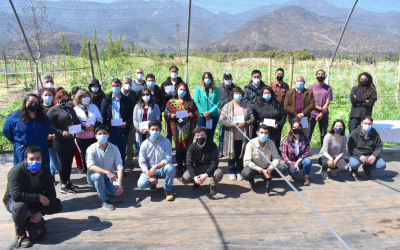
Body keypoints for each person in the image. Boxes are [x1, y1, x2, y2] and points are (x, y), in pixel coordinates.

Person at [3, 146, 62, 249]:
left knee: (57, 205)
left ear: (42, 159)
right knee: (20, 207)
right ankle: (20, 232)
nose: (35, 161)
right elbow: (16, 195)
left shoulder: (45, 171)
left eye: (38, 158)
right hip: (15, 200)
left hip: (32, 200)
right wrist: (38, 197)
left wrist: (41, 213)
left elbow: (51, 195)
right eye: (31, 159)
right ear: (25, 159)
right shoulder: (16, 172)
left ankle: (33, 216)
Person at [47, 89, 83, 194]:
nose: (65, 101)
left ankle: (68, 182)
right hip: (60, 140)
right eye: (63, 99)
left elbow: (75, 120)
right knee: (63, 163)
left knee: (69, 163)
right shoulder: (53, 110)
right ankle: (63, 185)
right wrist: (60, 132)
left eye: (67, 99)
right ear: (57, 99)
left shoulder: (69, 108)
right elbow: (48, 125)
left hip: (71, 139)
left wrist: (79, 128)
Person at [3, 93, 51, 167]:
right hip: (23, 149)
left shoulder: (44, 117)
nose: (33, 104)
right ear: (25, 103)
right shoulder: (14, 116)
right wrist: (17, 140)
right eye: (31, 102)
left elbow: (47, 130)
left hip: (41, 149)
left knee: (42, 172)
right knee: (23, 173)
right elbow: (6, 131)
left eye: (36, 103)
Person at [219, 87, 255, 181]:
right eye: (235, 93)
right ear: (232, 94)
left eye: (239, 93)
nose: (237, 95)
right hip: (231, 135)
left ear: (242, 95)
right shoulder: (227, 106)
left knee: (241, 154)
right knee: (232, 154)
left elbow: (252, 118)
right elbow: (221, 120)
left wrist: (245, 123)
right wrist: (230, 124)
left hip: (242, 136)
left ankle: (239, 171)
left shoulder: (246, 106)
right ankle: (231, 171)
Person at [164, 83, 199, 177]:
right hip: (176, 129)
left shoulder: (190, 102)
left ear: (186, 91)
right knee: (179, 149)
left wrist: (193, 115)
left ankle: (188, 167)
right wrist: (171, 116)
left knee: (188, 148)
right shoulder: (171, 102)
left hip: (188, 129)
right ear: (176, 90)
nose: (182, 91)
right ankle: (179, 167)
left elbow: (197, 112)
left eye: (184, 90)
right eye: (180, 89)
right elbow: (165, 114)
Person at [242, 125, 287, 196]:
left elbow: (277, 158)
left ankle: (267, 177)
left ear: (269, 134)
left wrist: (270, 168)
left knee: (283, 168)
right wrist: (261, 170)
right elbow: (247, 161)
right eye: (261, 132)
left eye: (265, 133)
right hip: (255, 168)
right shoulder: (250, 144)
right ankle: (251, 181)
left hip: (267, 167)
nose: (263, 135)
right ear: (257, 133)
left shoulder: (271, 143)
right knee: (246, 173)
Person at [86, 125, 124, 210]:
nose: (102, 135)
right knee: (98, 176)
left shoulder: (114, 148)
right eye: (99, 134)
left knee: (118, 192)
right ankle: (104, 199)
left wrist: (119, 183)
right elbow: (90, 166)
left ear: (108, 135)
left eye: (104, 133)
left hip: (110, 177)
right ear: (95, 136)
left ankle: (101, 188)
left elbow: (119, 167)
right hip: (94, 176)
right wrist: (107, 172)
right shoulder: (91, 149)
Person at [137, 120, 176, 201]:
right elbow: (142, 162)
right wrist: (149, 174)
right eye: (152, 129)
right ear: (149, 130)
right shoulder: (144, 144)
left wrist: (155, 166)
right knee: (141, 184)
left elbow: (168, 159)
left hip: (162, 169)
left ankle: (168, 189)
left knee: (171, 168)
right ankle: (152, 184)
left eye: (157, 129)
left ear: (160, 130)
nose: (154, 131)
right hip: (149, 170)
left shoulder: (166, 141)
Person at [101, 78, 134, 168]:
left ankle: (121, 168)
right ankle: (110, 169)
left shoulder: (128, 100)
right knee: (110, 150)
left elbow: (131, 115)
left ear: (121, 86)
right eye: (113, 86)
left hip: (123, 129)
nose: (115, 87)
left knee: (122, 151)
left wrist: (126, 123)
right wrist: (105, 131)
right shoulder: (106, 100)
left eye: (117, 86)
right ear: (110, 87)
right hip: (111, 130)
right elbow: (103, 117)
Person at [183, 127, 223, 196]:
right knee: (185, 178)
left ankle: (212, 185)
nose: (200, 137)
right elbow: (189, 164)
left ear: (206, 136)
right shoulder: (191, 147)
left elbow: (215, 162)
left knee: (219, 174)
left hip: (210, 167)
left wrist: (206, 174)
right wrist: (194, 177)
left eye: (202, 136)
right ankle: (197, 182)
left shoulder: (212, 145)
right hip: (197, 167)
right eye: (198, 136)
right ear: (195, 137)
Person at [73, 89, 103, 173]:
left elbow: (99, 120)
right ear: (79, 99)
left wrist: (94, 128)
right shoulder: (75, 109)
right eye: (84, 97)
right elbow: (74, 122)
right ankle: (87, 171)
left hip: (93, 135)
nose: (86, 98)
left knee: (95, 154)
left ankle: (96, 171)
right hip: (81, 136)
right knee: (84, 154)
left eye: (87, 96)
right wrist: (82, 128)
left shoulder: (94, 107)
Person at [252, 86, 286, 153]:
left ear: (271, 94)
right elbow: (252, 118)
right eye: (265, 93)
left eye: (268, 93)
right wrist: (259, 123)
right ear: (262, 94)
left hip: (274, 132)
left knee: (272, 152)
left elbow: (283, 117)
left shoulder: (277, 105)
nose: (267, 94)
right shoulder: (257, 106)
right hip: (261, 133)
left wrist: (278, 124)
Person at [282, 121, 312, 186]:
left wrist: (297, 162)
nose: (296, 128)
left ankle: (305, 176)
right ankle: (291, 173)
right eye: (294, 127)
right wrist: (290, 164)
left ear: (301, 128)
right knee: (293, 173)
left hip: (300, 160)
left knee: (308, 161)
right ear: (292, 129)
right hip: (290, 162)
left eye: (298, 127)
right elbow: (284, 154)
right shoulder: (286, 139)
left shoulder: (305, 138)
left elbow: (306, 152)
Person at [307, 70, 333, 146]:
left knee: (323, 134)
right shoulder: (310, 88)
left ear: (324, 76)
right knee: (309, 133)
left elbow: (327, 102)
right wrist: (321, 109)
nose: (320, 76)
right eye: (319, 74)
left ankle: (323, 150)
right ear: (315, 76)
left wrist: (321, 113)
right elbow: (309, 103)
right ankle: (306, 149)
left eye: (322, 74)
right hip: (311, 114)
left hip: (324, 115)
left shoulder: (328, 88)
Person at [194, 72, 221, 142]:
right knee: (200, 134)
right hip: (201, 116)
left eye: (209, 78)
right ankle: (200, 151)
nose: (207, 79)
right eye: (206, 78)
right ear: (203, 79)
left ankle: (209, 152)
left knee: (210, 135)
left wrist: (209, 112)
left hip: (213, 116)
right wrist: (203, 112)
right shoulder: (198, 89)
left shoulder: (216, 89)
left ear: (211, 79)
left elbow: (218, 102)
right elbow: (196, 101)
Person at [161, 65, 185, 141]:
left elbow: (186, 95)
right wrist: (166, 95)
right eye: (172, 71)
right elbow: (161, 98)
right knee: (168, 132)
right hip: (168, 110)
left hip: (180, 110)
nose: (174, 73)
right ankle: (169, 149)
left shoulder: (182, 84)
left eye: (175, 71)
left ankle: (179, 150)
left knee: (180, 131)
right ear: (169, 72)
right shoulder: (164, 84)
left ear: (178, 72)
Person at [133, 86, 161, 153]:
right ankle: (141, 163)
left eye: (147, 94)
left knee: (150, 150)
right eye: (143, 94)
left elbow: (157, 120)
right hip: (140, 132)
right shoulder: (137, 106)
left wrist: (150, 129)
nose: (145, 96)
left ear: (150, 95)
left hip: (150, 132)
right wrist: (138, 129)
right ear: (141, 96)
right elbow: (135, 119)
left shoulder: (156, 106)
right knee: (141, 150)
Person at [41, 89, 59, 184]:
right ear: (42, 96)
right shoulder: (39, 109)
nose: (48, 96)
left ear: (53, 97)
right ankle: (63, 176)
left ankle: (51, 176)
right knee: (53, 159)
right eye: (45, 95)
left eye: (50, 95)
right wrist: (46, 135)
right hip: (46, 139)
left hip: (57, 137)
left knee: (56, 158)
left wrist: (56, 133)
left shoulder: (56, 107)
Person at [218, 72, 236, 158]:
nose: (227, 80)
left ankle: (231, 150)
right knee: (222, 133)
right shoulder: (218, 89)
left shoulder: (236, 89)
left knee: (233, 133)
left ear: (232, 79)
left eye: (229, 78)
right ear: (223, 79)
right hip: (222, 115)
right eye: (226, 78)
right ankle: (221, 150)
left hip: (233, 114)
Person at [121, 76, 138, 167]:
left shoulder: (133, 94)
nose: (127, 85)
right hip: (118, 122)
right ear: (122, 84)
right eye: (126, 83)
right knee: (119, 141)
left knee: (130, 141)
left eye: (129, 83)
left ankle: (130, 159)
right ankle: (120, 159)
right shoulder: (117, 93)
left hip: (130, 120)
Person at [68, 86, 85, 173]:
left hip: (84, 131)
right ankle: (79, 166)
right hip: (74, 131)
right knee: (76, 150)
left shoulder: (84, 104)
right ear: (73, 95)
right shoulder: (70, 105)